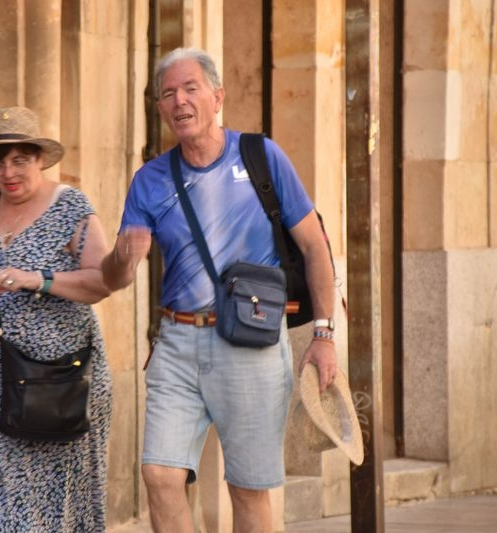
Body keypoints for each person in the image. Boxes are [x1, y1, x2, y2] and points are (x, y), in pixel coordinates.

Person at [101, 47, 338, 533]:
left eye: (190, 89)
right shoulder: (149, 180)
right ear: (160, 108)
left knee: (247, 490)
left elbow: (315, 246)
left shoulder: (261, 157)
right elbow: (115, 278)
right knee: (160, 475)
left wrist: (324, 334)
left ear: (217, 96)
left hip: (251, 342)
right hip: (177, 342)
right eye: (168, 94)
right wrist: (124, 256)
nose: (179, 101)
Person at [0, 106, 113, 531]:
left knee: (53, 501)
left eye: (20, 160)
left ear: (40, 158)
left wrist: (38, 279)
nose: (8, 172)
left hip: (57, 382)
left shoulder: (71, 206)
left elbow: (101, 281)